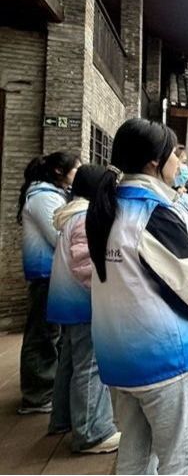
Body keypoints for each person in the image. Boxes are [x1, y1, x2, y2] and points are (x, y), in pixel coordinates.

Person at [86, 118, 188, 474]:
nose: (180, 163)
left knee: (135, 456)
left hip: (116, 354)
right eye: (175, 155)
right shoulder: (153, 213)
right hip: (162, 357)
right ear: (153, 162)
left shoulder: (106, 209)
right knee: (184, 458)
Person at [47, 164, 120, 453]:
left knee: (70, 362)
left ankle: (64, 417)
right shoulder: (84, 218)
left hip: (67, 302)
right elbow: (87, 266)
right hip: (83, 303)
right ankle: (91, 432)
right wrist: (109, 289)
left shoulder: (72, 214)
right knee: (90, 364)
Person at [17, 151, 81, 415]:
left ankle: (47, 388)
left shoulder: (53, 195)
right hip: (45, 273)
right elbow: (60, 235)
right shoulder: (44, 197)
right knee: (42, 335)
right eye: (76, 169)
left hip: (53, 274)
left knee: (51, 333)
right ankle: (37, 395)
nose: (78, 174)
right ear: (58, 171)